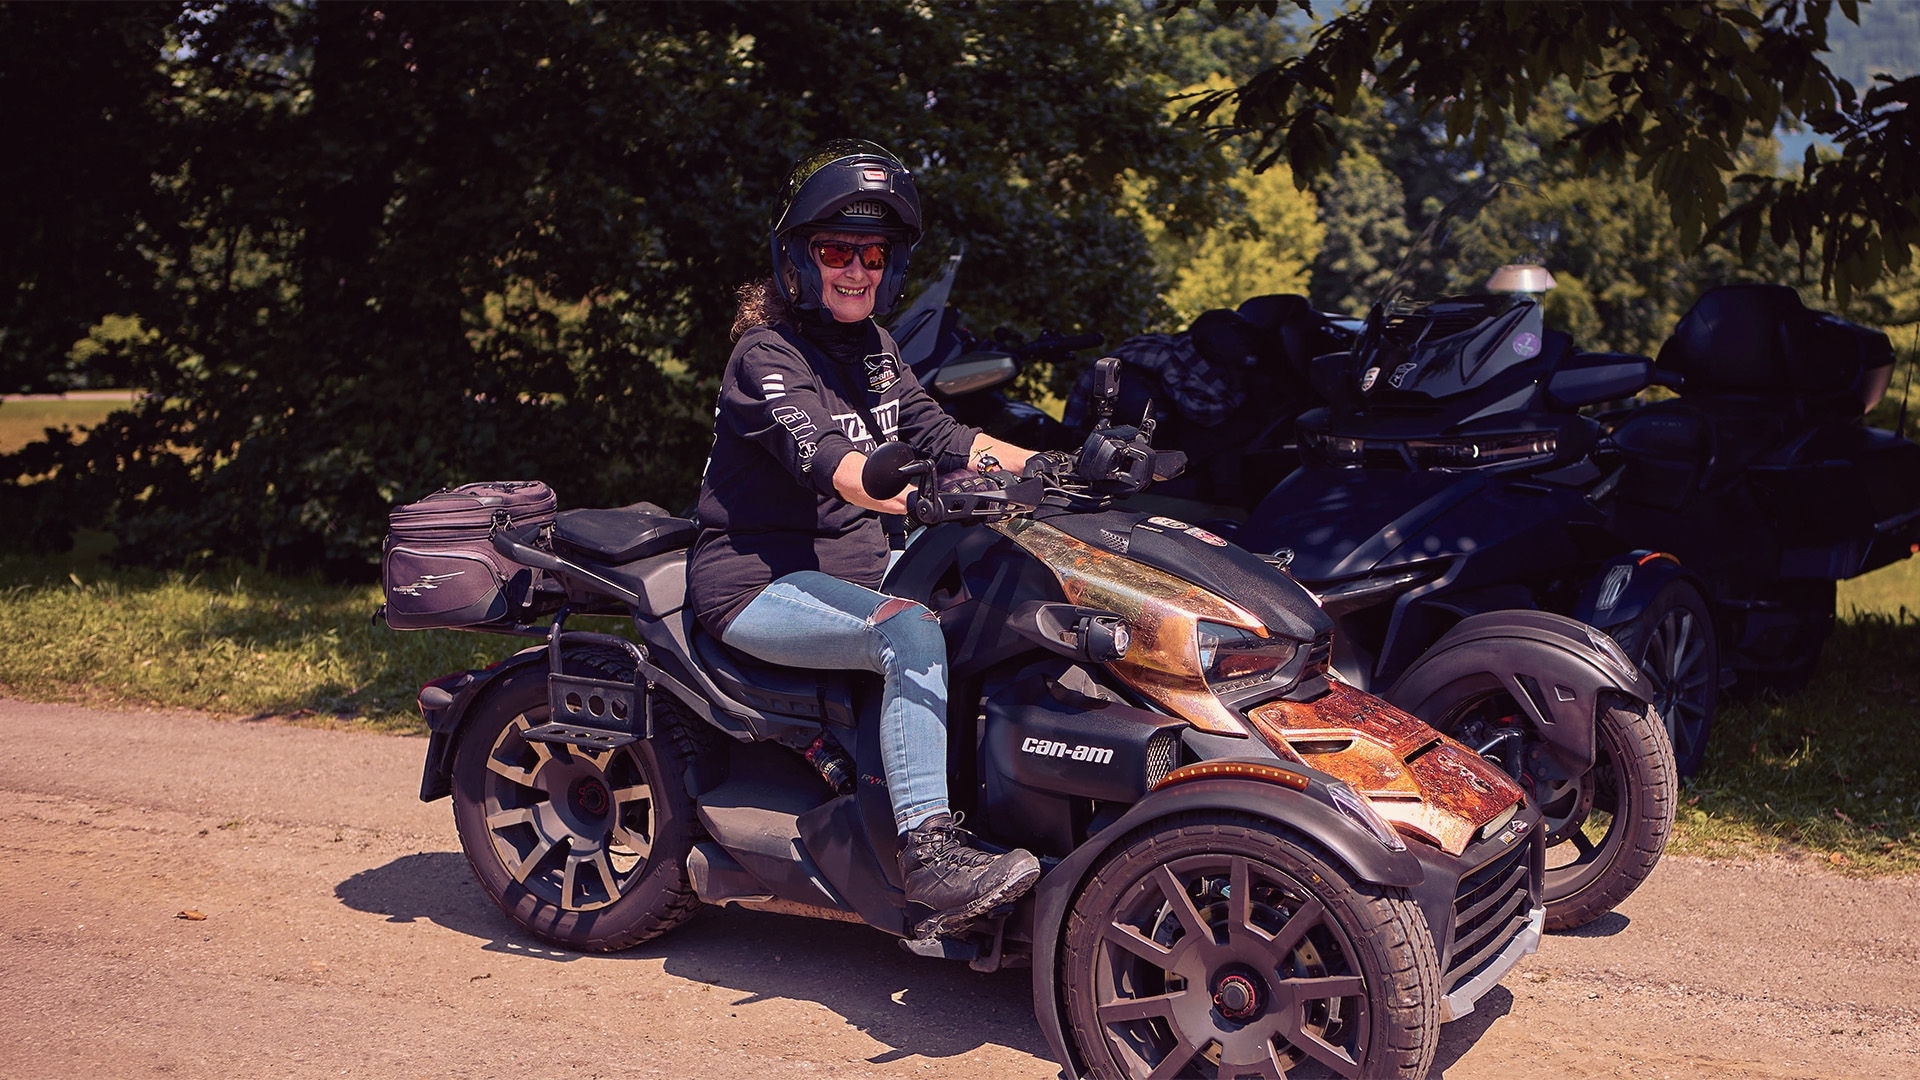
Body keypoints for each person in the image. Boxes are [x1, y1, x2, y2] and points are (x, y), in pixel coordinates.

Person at [686, 140, 1042, 938]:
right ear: (797, 260)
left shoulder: (874, 350)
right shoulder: (765, 356)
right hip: (754, 584)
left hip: (856, 570)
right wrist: (911, 490)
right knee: (910, 631)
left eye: (871, 253)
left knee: (990, 604)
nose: (856, 269)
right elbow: (828, 459)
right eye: (836, 250)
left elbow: (945, 434)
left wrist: (1058, 464)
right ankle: (929, 856)